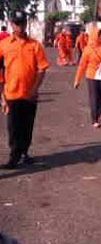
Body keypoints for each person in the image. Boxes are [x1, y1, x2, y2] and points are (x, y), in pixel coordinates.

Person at [0, 11, 50, 169]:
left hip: (30, 94)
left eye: (22, 23)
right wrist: (2, 96)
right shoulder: (4, 45)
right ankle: (14, 156)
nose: (20, 26)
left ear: (26, 23)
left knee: (27, 125)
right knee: (13, 126)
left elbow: (42, 69)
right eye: (16, 23)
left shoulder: (35, 45)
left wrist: (35, 90)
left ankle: (24, 152)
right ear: (11, 24)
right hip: (11, 93)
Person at [74, 27, 101, 128]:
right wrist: (77, 79)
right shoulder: (88, 49)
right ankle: (95, 119)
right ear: (94, 36)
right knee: (94, 98)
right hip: (91, 77)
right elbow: (82, 65)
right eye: (99, 35)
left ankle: (97, 114)